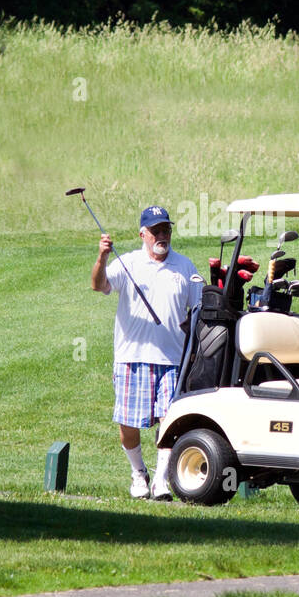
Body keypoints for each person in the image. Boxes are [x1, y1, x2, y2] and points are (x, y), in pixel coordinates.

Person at [91, 206, 204, 500]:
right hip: (132, 355)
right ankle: (138, 473)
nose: (162, 236)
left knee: (170, 423)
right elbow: (98, 285)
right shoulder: (127, 263)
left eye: (166, 229)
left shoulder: (185, 267)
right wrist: (102, 256)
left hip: (172, 359)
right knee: (129, 422)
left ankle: (161, 481)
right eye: (155, 231)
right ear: (143, 234)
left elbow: (201, 307)